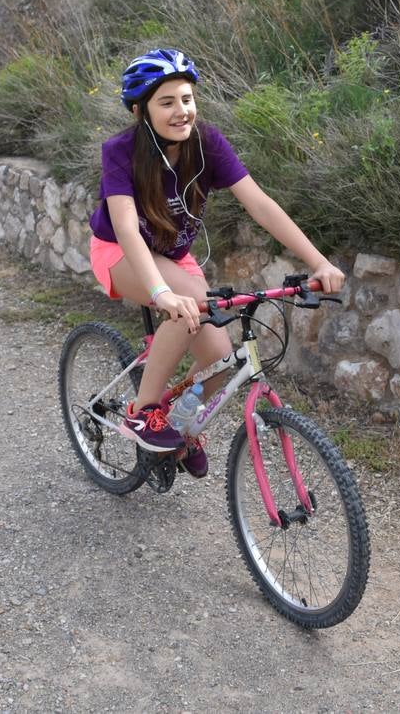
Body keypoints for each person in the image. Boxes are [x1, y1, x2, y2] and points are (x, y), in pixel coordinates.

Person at [88, 48, 346, 477]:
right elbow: (128, 229)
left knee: (220, 358)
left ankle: (179, 425)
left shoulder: (206, 143)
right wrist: (161, 293)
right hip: (118, 252)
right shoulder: (120, 151)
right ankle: (142, 410)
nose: (181, 111)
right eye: (167, 102)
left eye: (187, 99)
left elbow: (260, 205)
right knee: (187, 303)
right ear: (141, 109)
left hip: (172, 255)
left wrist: (319, 261)